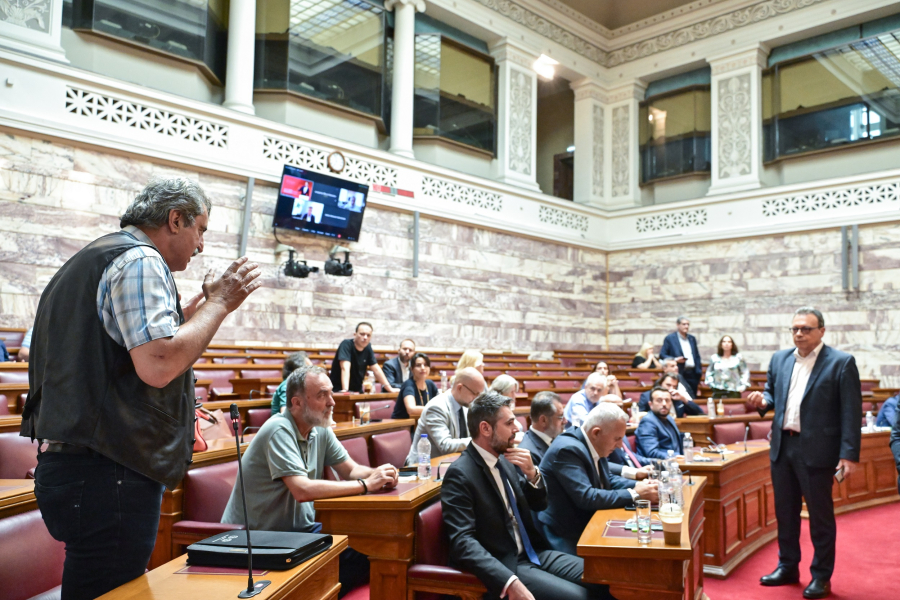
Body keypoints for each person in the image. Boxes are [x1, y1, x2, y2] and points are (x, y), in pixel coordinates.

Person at [22, 178, 261, 600]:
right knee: (109, 591)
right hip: (107, 469)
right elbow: (159, 362)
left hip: (80, 466)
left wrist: (197, 307)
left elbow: (122, 341)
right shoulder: (140, 261)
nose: (201, 245)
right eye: (200, 230)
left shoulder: (98, 255)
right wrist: (220, 305)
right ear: (175, 219)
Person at [222, 366, 397, 597]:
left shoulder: (319, 429)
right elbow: (301, 489)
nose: (332, 402)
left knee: (377, 550)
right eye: (322, 395)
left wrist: (379, 475)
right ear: (297, 403)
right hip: (257, 539)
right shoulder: (279, 430)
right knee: (366, 558)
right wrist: (366, 485)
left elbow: (351, 470)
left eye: (331, 393)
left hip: (299, 533)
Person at [440, 391, 611, 600]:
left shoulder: (505, 459)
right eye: (509, 423)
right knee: (580, 597)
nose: (517, 428)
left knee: (607, 578)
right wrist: (508, 580)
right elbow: (462, 541)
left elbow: (538, 504)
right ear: (485, 428)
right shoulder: (461, 473)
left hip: (535, 553)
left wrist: (532, 474)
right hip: (506, 563)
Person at [746, 308, 861, 599]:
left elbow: (851, 412)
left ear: (821, 331)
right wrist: (763, 399)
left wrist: (848, 455)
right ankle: (788, 567)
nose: (799, 333)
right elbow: (772, 394)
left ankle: (821, 576)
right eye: (795, 329)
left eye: (806, 329)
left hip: (819, 452)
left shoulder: (841, 363)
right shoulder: (780, 359)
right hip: (783, 448)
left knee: (820, 518)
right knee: (785, 513)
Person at [539, 403, 658, 555]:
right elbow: (587, 497)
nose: (620, 445)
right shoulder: (567, 449)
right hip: (563, 535)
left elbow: (606, 478)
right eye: (617, 438)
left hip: (585, 523)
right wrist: (635, 494)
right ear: (596, 432)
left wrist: (643, 486)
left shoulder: (593, 443)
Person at [404, 367, 486, 465]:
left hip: (450, 463)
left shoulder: (466, 405)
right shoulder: (436, 407)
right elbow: (445, 446)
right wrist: (479, 441)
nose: (476, 399)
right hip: (423, 468)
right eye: (475, 393)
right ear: (460, 388)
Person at [329, 322, 395, 394]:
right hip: (338, 390)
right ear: (355, 334)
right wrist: (345, 390)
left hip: (357, 390)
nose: (365, 337)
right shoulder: (346, 344)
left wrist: (390, 389)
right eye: (362, 334)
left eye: (368, 335)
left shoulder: (368, 347)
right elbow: (345, 368)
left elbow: (376, 369)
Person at [635, 387, 684, 460]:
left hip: (677, 462)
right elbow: (651, 452)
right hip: (660, 466)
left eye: (667, 400)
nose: (664, 404)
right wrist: (675, 456)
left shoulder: (669, 418)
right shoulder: (648, 422)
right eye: (659, 400)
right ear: (650, 404)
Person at [519, 392, 565, 465]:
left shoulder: (558, 439)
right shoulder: (528, 454)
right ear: (543, 420)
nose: (565, 421)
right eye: (560, 417)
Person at [660, 316, 703, 396]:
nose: (686, 326)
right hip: (679, 372)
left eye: (688, 324)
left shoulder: (692, 338)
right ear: (678, 325)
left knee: (692, 396)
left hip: (693, 373)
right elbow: (662, 355)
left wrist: (698, 371)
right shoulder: (670, 338)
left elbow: (696, 356)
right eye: (684, 324)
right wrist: (675, 360)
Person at [392, 352, 438, 420]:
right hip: (403, 426)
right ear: (412, 369)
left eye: (425, 365)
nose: (423, 368)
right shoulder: (409, 385)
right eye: (418, 365)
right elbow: (411, 409)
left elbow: (441, 403)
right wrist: (435, 409)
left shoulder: (430, 384)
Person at [638, 373, 703, 417]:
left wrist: (684, 399)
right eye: (668, 385)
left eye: (674, 386)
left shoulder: (677, 398)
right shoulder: (647, 396)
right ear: (661, 383)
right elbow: (640, 415)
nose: (671, 389)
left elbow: (699, 413)